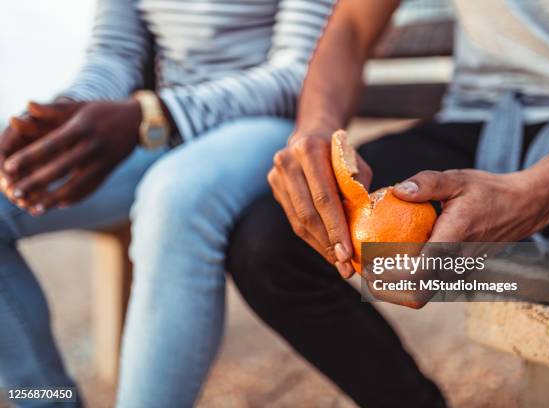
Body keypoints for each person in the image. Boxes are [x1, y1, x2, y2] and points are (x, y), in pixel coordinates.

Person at [226, 0, 549, 406]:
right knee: (267, 246)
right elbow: (353, 26)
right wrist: (317, 130)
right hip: (478, 118)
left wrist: (533, 194)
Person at [0, 0, 335, 406]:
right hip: (161, 128)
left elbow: (301, 73)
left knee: (174, 198)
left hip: (270, 124)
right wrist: (69, 116)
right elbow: (114, 54)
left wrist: (156, 112)